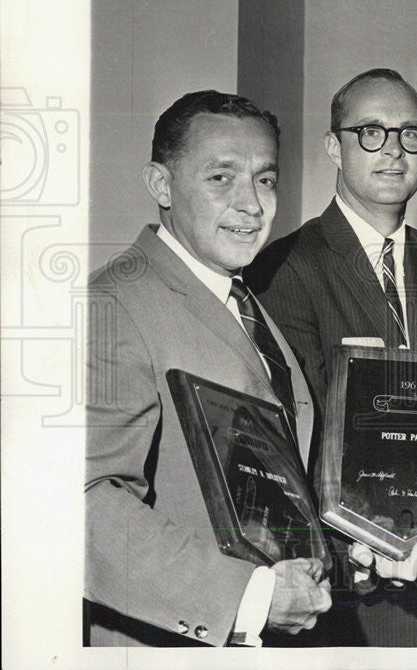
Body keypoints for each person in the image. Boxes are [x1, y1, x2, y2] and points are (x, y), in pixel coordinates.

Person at [246, 68, 417, 646]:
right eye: (371, 132)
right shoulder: (284, 267)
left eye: (411, 133)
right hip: (348, 584)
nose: (395, 150)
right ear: (334, 145)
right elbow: (289, 440)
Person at [84, 90, 333, 646]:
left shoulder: (244, 302)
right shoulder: (113, 304)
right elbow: (86, 505)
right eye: (221, 178)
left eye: (265, 180)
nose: (251, 204)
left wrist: (343, 552)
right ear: (161, 185)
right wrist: (251, 597)